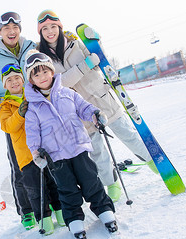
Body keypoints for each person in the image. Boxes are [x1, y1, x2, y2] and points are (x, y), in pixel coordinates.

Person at [35, 10, 158, 203]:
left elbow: (98, 58)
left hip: (101, 98)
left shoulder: (75, 44)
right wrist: (85, 65)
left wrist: (96, 43)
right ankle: (111, 183)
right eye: (45, 29)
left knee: (127, 134)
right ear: (40, 32)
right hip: (78, 110)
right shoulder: (43, 59)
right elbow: (61, 82)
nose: (50, 32)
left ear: (59, 26)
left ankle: (153, 160)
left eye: (53, 26)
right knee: (97, 151)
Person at [23, 50, 119, 239]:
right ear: (31, 79)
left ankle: (104, 210)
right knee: (67, 190)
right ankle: (75, 220)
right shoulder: (32, 107)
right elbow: (32, 133)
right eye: (36, 74)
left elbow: (84, 108)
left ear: (52, 71)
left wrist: (95, 114)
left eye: (44, 72)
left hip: (79, 148)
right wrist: (35, 152)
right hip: (55, 157)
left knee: (91, 181)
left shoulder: (68, 93)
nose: (42, 77)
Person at [0, 12, 36, 230]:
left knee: (48, 156)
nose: (11, 31)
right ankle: (27, 211)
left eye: (15, 27)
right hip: (14, 116)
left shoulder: (32, 47)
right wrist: (1, 106)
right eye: (6, 29)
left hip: (39, 111)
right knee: (20, 163)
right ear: (0, 32)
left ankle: (53, 202)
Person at [0, 63, 64, 235]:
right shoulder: (5, 106)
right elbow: (7, 126)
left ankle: (62, 213)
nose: (14, 83)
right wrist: (19, 113)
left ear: (23, 80)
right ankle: (44, 220)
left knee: (54, 182)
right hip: (26, 156)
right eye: (9, 80)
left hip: (44, 149)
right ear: (5, 85)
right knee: (35, 189)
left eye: (17, 79)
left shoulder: (34, 95)